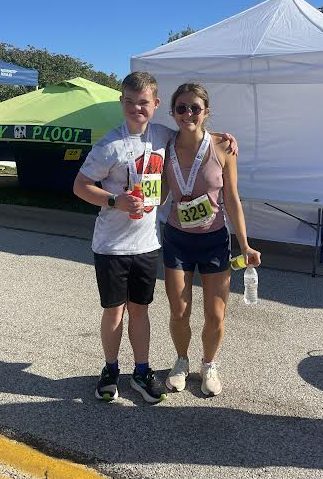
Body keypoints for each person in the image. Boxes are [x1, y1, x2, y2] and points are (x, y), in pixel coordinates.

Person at [73, 72, 237, 404]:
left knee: (141, 310)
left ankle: (142, 371)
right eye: (130, 102)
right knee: (115, 312)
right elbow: (79, 187)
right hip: (111, 245)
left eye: (144, 102)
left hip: (147, 243)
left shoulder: (163, 135)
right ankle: (109, 369)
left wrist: (223, 138)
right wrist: (112, 200)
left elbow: (195, 133)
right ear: (122, 103)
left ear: (156, 105)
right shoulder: (109, 144)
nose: (137, 108)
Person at [162, 83, 261, 396]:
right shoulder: (165, 146)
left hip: (215, 240)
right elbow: (161, 194)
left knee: (215, 314)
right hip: (177, 239)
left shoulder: (222, 146)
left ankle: (209, 364)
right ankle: (181, 361)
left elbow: (232, 198)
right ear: (172, 111)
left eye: (195, 108)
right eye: (181, 108)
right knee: (179, 311)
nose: (188, 114)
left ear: (206, 112)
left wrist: (244, 244)